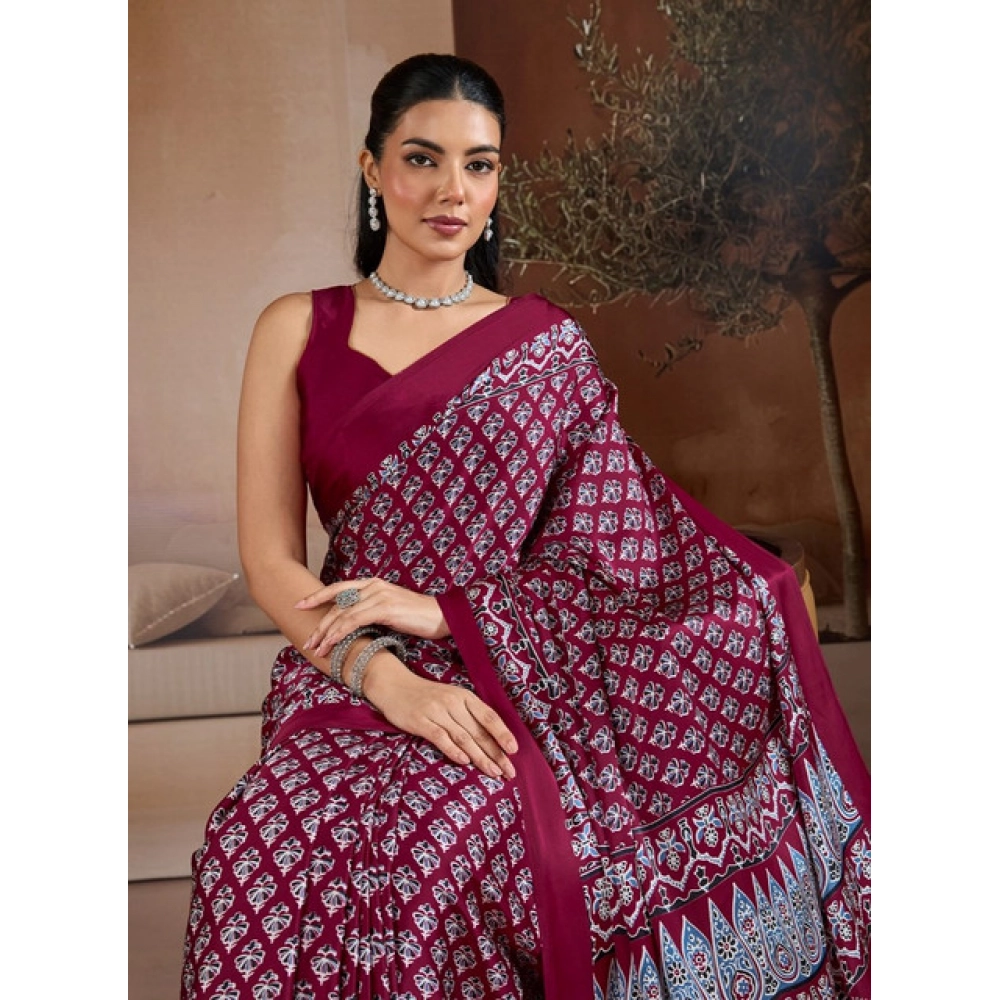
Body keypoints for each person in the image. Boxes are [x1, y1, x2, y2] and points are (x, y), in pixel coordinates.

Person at [180, 53, 871, 1000]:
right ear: (372, 167)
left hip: (511, 670)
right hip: (345, 657)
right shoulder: (297, 327)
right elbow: (269, 560)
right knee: (259, 840)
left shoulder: (547, 345)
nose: (453, 191)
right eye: (422, 159)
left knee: (439, 847)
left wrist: (444, 613)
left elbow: (616, 554)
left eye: (480, 164)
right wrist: (389, 681)